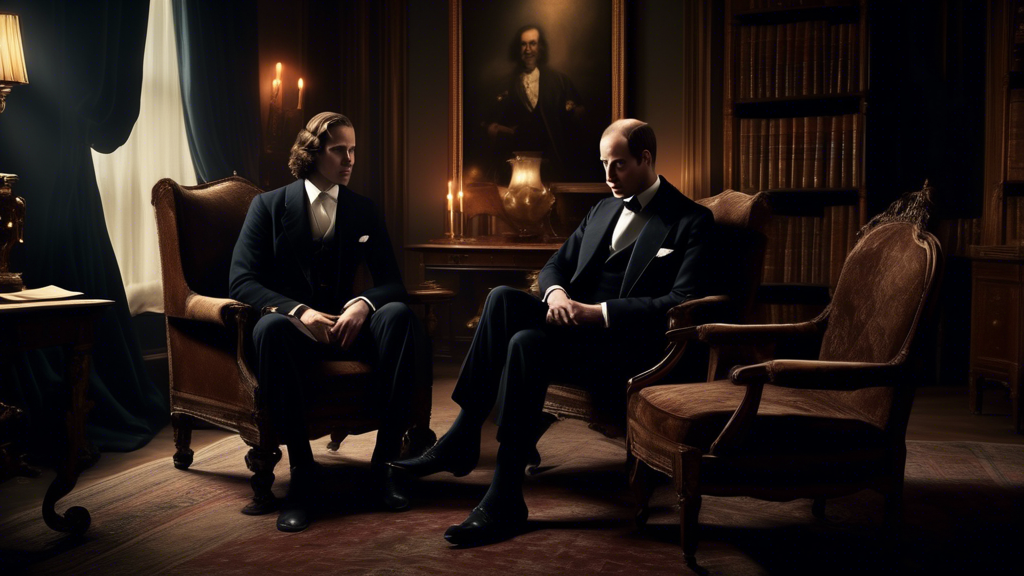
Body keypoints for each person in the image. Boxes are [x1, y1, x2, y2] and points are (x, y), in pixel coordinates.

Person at [391, 119, 712, 546]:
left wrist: (597, 312)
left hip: (628, 349)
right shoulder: (602, 210)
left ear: (646, 159)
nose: (607, 177)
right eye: (603, 165)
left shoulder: (691, 220)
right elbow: (553, 266)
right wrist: (558, 295)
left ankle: (496, 487)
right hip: (573, 332)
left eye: (618, 166)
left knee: (525, 343)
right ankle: (469, 439)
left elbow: (681, 301)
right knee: (503, 298)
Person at [229, 112, 428, 532]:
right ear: (313, 152)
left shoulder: (364, 210)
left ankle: (385, 465)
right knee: (269, 328)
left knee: (397, 316)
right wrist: (298, 311)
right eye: (340, 150)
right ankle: (302, 474)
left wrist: (362, 304)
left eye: (353, 150)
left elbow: (393, 282)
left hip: (348, 329)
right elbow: (241, 281)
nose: (350, 159)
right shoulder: (267, 206)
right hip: (296, 332)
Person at [483, 24, 596, 183]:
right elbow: (489, 124)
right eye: (523, 44)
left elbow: (576, 122)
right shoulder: (505, 84)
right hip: (516, 168)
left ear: (540, 47)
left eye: (533, 43)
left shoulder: (559, 81)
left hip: (552, 163)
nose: (528, 49)